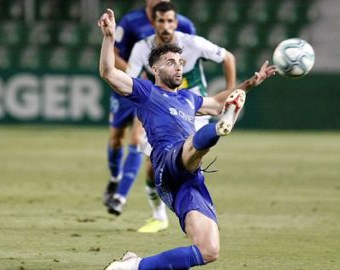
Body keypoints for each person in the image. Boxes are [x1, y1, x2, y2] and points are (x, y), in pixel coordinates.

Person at [99, 8, 276, 270]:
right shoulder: (145, 91)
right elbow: (108, 73)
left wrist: (250, 83)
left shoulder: (188, 98)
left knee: (209, 250)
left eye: (180, 63)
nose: (178, 67)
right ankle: (219, 130)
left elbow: (217, 103)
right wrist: (109, 37)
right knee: (194, 145)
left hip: (191, 179)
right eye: (171, 62)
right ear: (155, 68)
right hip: (167, 162)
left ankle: (132, 266)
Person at [108, 1, 236, 233]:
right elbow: (131, 84)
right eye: (161, 21)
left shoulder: (191, 43)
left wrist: (232, 89)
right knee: (151, 167)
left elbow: (228, 57)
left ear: (176, 23)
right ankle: (159, 216)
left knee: (190, 154)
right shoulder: (142, 48)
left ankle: (193, 205)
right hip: (162, 110)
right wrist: (140, 121)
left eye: (170, 21)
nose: (166, 26)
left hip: (194, 108)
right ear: (153, 23)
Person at [103, 0, 196, 234]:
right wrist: (139, 73)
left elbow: (188, 54)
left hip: (155, 92)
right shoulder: (131, 21)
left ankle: (120, 197)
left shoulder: (184, 24)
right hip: (133, 82)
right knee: (115, 138)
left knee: (136, 140)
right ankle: (115, 177)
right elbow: (114, 55)